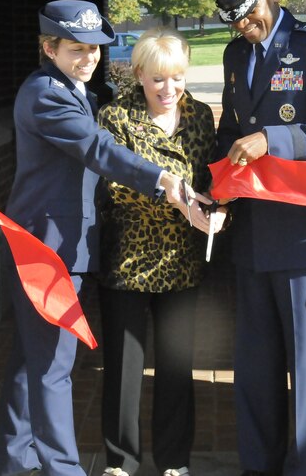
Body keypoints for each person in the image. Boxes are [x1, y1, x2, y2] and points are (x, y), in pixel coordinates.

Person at [0, 1, 208, 476]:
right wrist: (165, 181)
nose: (88, 58)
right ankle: (62, 469)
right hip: (46, 246)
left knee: (31, 362)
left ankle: (17, 462)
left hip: (62, 244)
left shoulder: (80, 94)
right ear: (48, 47)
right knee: (52, 365)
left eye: (94, 48)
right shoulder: (46, 94)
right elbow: (97, 149)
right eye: (76, 49)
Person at [198, 0, 306, 476]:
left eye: (250, 12)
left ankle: (305, 467)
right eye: (235, 19)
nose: (245, 26)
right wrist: (216, 186)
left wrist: (273, 139)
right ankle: (258, 465)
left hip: (305, 235)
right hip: (251, 234)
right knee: (255, 366)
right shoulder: (233, 55)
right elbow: (228, 134)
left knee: (305, 368)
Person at [96, 27, 226, 476]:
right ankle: (120, 462)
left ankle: (174, 461)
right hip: (128, 261)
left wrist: (216, 209)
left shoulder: (200, 117)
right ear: (138, 75)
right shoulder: (114, 117)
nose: (168, 89)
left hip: (181, 262)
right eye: (157, 79)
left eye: (177, 78)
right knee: (124, 368)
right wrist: (176, 201)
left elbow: (209, 178)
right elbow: (114, 184)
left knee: (176, 367)